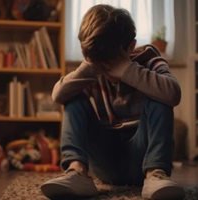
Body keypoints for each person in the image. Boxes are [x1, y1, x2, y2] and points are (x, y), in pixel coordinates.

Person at [40, 4, 185, 200]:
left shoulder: (148, 58)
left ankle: (156, 175)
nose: (106, 68)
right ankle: (76, 172)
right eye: (98, 61)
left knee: (161, 93)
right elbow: (57, 95)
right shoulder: (92, 66)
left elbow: (174, 94)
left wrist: (127, 71)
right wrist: (89, 68)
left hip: (143, 157)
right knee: (71, 97)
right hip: (105, 162)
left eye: (112, 60)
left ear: (131, 47)